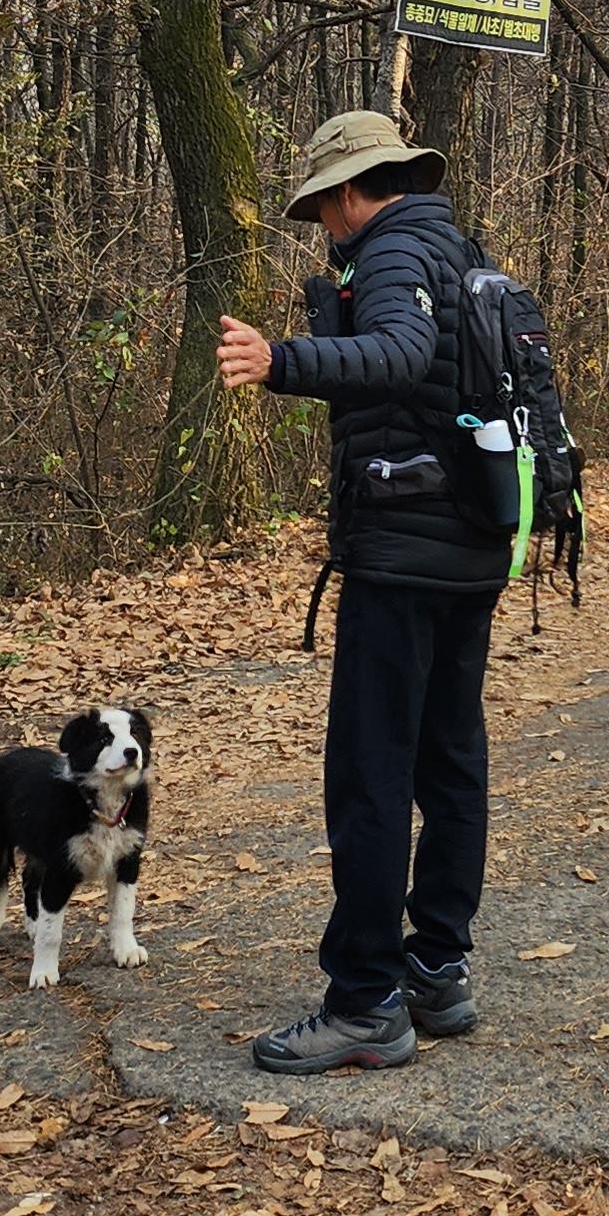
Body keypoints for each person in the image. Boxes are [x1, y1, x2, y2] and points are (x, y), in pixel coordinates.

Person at [216, 111, 503, 1074]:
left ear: (348, 191)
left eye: (322, 211)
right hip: (473, 541)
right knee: (450, 760)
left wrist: (281, 362)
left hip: (403, 553)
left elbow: (400, 353)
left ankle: (367, 999)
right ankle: (437, 971)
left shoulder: (389, 254)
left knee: (372, 773)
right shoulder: (460, 251)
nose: (324, 231)